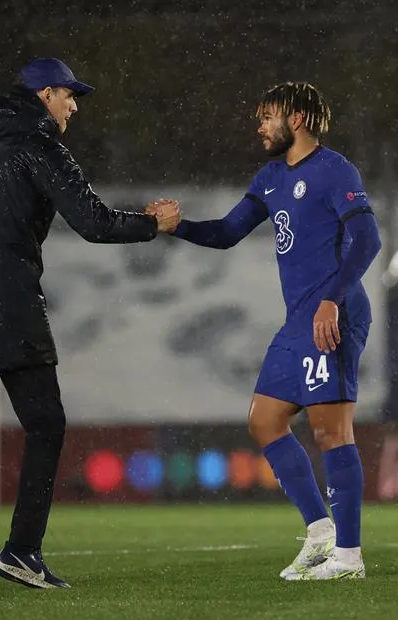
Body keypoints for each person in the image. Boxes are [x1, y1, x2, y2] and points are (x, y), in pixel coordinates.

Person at [0, 57, 180, 591]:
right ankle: (21, 551)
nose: (73, 108)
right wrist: (154, 224)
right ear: (44, 95)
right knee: (46, 426)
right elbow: (94, 223)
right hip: (12, 307)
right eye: (69, 96)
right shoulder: (40, 146)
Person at [151, 82, 381, 580]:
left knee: (330, 431)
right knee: (264, 420)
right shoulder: (271, 176)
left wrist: (330, 300)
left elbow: (367, 238)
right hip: (299, 319)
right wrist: (180, 227)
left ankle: (349, 557)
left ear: (296, 119)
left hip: (333, 313)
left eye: (267, 116)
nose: (259, 126)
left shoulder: (334, 170)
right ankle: (319, 533)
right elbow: (229, 232)